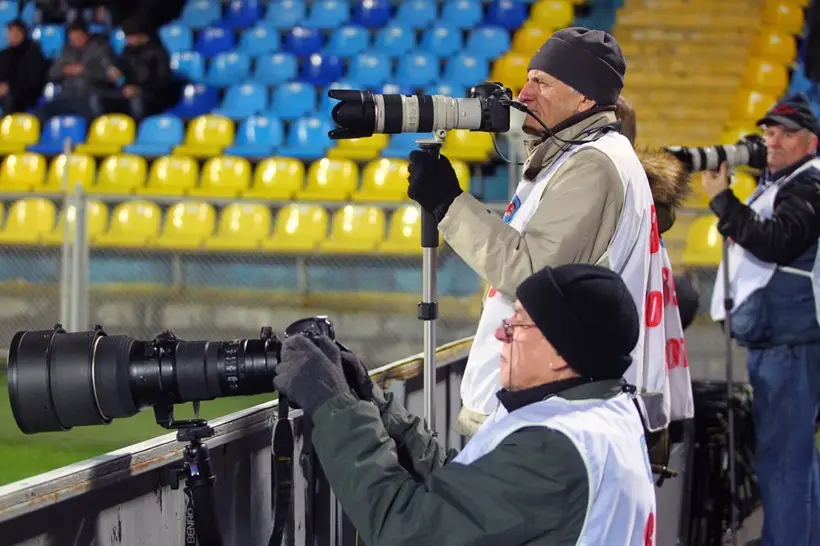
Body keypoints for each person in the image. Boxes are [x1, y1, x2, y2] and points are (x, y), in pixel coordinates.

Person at [406, 26, 694, 438]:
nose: (524, 95)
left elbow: (531, 273)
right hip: (543, 404)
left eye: (541, 82)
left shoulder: (592, 165)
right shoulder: (583, 155)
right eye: (528, 79)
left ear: (585, 97)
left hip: (541, 411)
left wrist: (448, 202)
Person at [273, 264, 657, 546]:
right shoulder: (600, 413)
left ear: (562, 351)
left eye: (517, 325)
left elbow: (406, 529)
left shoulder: (555, 448)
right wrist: (375, 405)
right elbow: (470, 496)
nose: (500, 334)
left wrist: (334, 405)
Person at [704, 93, 820, 546]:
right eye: (769, 131)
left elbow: (776, 240)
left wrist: (723, 201)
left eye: (786, 133)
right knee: (795, 460)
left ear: (811, 142)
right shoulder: (790, 180)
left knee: (783, 462)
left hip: (789, 343)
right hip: (783, 341)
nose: (773, 140)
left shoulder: (809, 184)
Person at [33, 19, 119, 123]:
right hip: (67, 95)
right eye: (73, 37)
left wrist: (85, 70)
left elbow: (110, 75)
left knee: (91, 108)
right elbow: (52, 74)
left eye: (79, 36)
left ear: (86, 35)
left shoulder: (100, 49)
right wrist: (65, 70)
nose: (76, 40)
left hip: (89, 94)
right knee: (41, 111)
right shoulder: (66, 51)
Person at [101, 18, 171, 122]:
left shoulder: (158, 53)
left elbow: (163, 81)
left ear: (141, 36)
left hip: (151, 95)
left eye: (130, 37)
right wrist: (114, 73)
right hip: (128, 91)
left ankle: (138, 131)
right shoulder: (128, 50)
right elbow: (121, 68)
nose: (128, 41)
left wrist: (140, 90)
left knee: (136, 102)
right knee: (101, 97)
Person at [0, 19, 47, 114]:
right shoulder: (5, 54)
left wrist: (9, 87)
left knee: (10, 98)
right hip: (5, 90)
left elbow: (33, 80)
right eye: (11, 33)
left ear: (23, 34)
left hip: (25, 93)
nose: (13, 36)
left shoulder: (33, 53)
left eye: (16, 32)